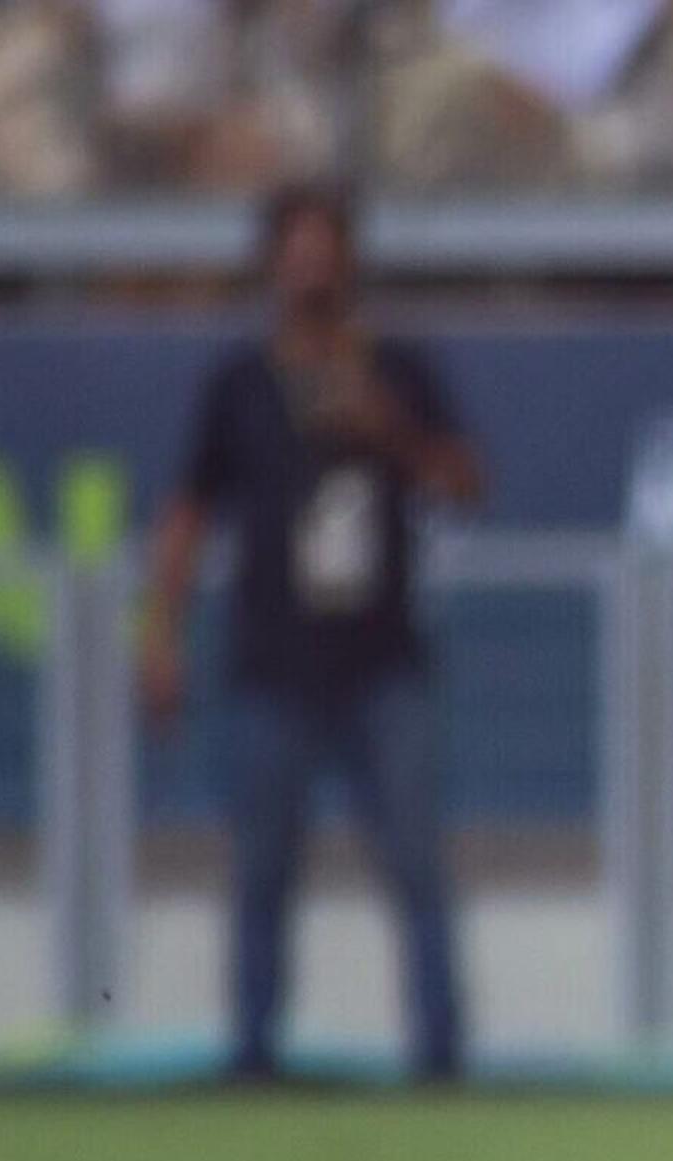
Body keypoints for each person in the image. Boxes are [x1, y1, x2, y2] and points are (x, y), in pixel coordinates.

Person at [140, 179, 483, 1084]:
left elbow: (464, 482)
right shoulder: (242, 385)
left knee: (415, 862)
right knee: (261, 870)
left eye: (325, 248)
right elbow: (186, 515)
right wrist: (161, 637)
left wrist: (391, 433)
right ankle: (255, 1049)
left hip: (382, 660)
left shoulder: (397, 370)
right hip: (271, 662)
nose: (311, 268)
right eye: (296, 250)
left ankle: (440, 1053)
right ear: (273, 264)